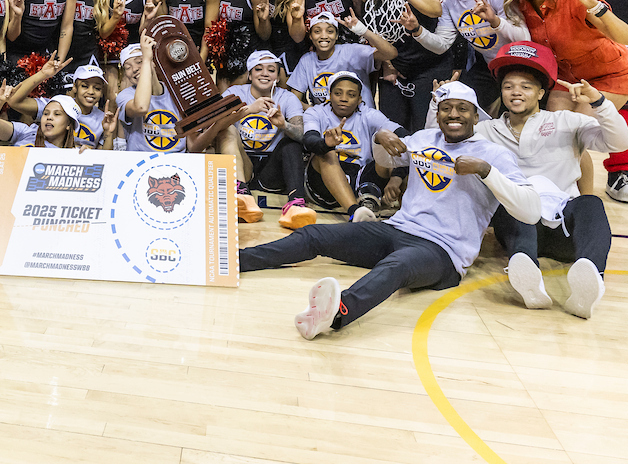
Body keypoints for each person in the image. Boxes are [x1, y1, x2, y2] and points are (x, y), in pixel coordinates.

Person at [239, 82, 541, 340]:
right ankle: (237, 262)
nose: (453, 115)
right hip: (397, 229)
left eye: (462, 109)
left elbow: (529, 210)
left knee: (396, 266)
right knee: (315, 235)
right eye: (446, 108)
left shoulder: (494, 154)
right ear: (438, 114)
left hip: (444, 251)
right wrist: (379, 139)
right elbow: (387, 161)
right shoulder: (423, 139)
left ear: (476, 115)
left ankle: (336, 313)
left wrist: (486, 171)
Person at [464, 42, 628, 318]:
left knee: (591, 203)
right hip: (517, 227)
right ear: (501, 92)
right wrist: (439, 102)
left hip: (562, 229)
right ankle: (526, 273)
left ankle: (589, 277)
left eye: (526, 86)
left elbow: (621, 142)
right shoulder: (485, 131)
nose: (516, 92)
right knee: (514, 201)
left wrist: (599, 102)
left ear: (541, 93)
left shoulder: (567, 121)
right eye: (509, 86)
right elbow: (443, 149)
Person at [500, 0, 628, 203]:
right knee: (556, 137)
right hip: (567, 77)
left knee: (573, 140)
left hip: (610, 73)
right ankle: (559, 196)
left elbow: (627, 38)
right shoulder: (521, 5)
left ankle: (584, 205)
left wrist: (596, 7)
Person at [405, 0, 528, 111]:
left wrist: (494, 20)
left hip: (520, 62)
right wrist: (417, 30)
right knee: (462, 106)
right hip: (489, 66)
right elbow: (442, 45)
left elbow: (524, 38)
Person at [281, 71, 406, 227]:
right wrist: (326, 144)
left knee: (385, 139)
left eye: (351, 95)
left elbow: (407, 139)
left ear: (360, 99)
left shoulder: (369, 114)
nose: (343, 99)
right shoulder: (316, 112)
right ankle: (356, 211)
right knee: (327, 153)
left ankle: (408, 212)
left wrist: (396, 178)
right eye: (338, 93)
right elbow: (309, 140)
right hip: (323, 180)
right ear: (329, 95)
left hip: (360, 175)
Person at [358, 0, 449, 131]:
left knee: (423, 128)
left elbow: (436, 9)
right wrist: (387, 65)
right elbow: (378, 36)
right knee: (393, 128)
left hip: (427, 67)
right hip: (396, 69)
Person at [219, 51, 308, 222]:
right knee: (228, 130)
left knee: (292, 142)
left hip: (272, 169)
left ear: (277, 76)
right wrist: (249, 110)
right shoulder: (234, 93)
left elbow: (302, 134)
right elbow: (216, 127)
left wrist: (284, 125)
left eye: (271, 70)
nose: (265, 73)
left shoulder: (287, 98)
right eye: (258, 69)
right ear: (250, 75)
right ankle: (241, 194)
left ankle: (296, 205)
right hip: (243, 163)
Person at [287, 11, 395, 106]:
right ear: (310, 36)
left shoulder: (352, 52)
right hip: (328, 125)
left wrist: (364, 31)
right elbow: (293, 100)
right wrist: (317, 113)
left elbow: (391, 54)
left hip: (360, 119)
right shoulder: (306, 61)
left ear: (337, 35)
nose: (324, 36)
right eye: (317, 31)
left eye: (330, 31)